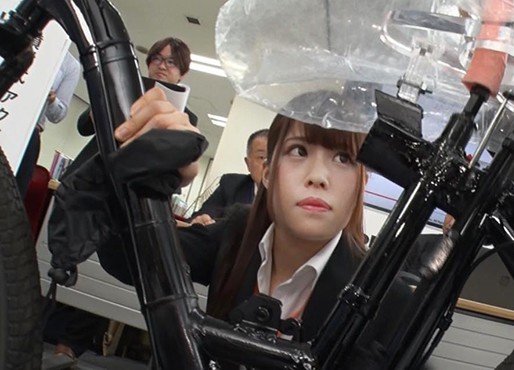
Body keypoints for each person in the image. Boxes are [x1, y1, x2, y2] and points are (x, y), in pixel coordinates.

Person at [97, 96, 408, 369]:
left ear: (361, 184)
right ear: (268, 175)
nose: (318, 176)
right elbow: (123, 256)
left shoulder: (385, 300)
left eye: (343, 158)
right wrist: (142, 175)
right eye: (299, 151)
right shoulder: (234, 235)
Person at [45, 37, 198, 361]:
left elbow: (175, 169)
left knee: (105, 273)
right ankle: (48, 333)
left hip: (132, 201)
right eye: (156, 58)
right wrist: (110, 100)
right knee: (65, 257)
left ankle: (69, 345)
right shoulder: (121, 91)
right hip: (91, 185)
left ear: (183, 72)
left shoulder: (186, 119)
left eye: (171, 61)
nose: (161, 65)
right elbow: (84, 126)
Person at [15, 52, 80, 197]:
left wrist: (52, 100)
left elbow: (58, 115)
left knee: (13, 192)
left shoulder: (70, 65)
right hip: (7, 115)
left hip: (31, 131)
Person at [189, 128, 268, 225]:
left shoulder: (285, 197)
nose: (268, 164)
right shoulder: (231, 185)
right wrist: (201, 221)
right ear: (248, 163)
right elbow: (201, 216)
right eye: (262, 157)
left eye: (275, 158)